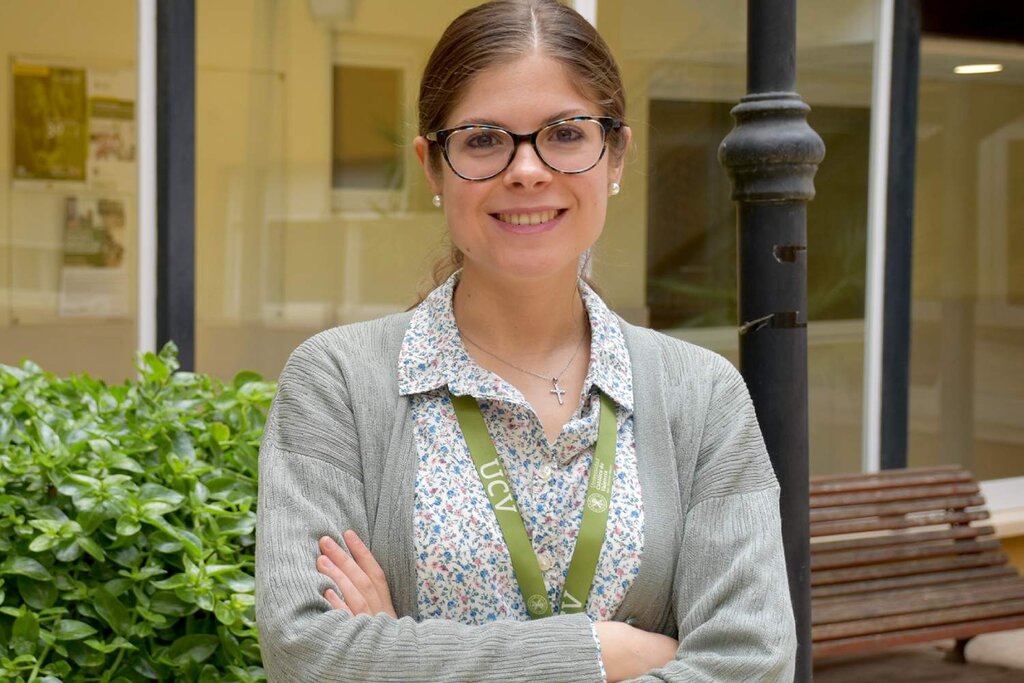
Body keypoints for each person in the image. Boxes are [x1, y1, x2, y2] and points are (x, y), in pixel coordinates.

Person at [255, 1, 797, 681]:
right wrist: (602, 653)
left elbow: (750, 662)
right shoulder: (337, 383)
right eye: (483, 139)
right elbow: (311, 657)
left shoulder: (702, 395)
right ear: (432, 165)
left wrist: (404, 653)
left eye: (566, 133)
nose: (528, 169)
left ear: (617, 153)